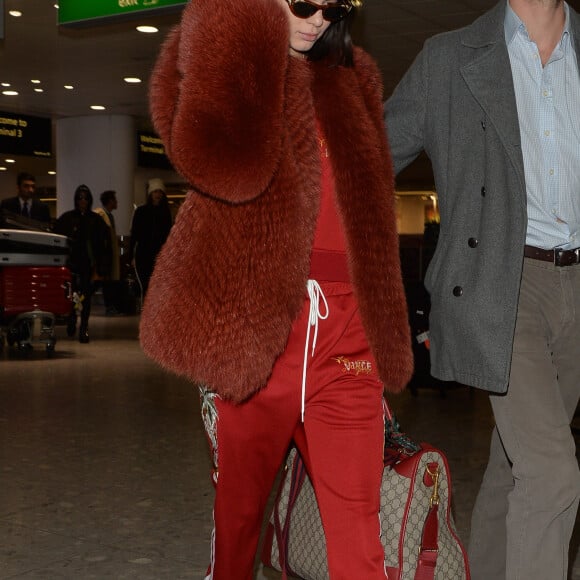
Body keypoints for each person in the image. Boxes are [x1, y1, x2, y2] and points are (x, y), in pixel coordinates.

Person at [139, 0, 413, 578]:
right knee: (238, 526)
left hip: (347, 336)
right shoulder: (226, 69)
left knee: (361, 539)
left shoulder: (352, 78)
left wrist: (384, 320)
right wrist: (242, 39)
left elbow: (373, 217)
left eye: (333, 6)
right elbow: (221, 168)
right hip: (260, 331)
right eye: (304, 3)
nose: (318, 19)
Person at [384, 1, 580, 579]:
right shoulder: (448, 58)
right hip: (503, 284)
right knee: (550, 473)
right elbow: (362, 157)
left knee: (514, 464)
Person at [53, 185, 109, 343]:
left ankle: (84, 327)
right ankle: (71, 319)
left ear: (89, 200)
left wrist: (101, 266)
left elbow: (103, 246)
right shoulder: (67, 218)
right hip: (70, 266)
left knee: (86, 298)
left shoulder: (96, 220)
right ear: (76, 200)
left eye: (85, 198)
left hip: (87, 266)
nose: (82, 201)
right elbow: (58, 238)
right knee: (71, 296)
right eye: (80, 198)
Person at [129, 178, 172, 298]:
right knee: (145, 285)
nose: (157, 195)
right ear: (150, 194)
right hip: (143, 254)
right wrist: (131, 256)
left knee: (157, 286)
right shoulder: (141, 211)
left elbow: (168, 236)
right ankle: (145, 313)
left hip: (159, 255)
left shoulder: (165, 213)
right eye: (155, 192)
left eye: (160, 192)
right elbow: (135, 234)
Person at [94, 190, 122, 315]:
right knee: (104, 282)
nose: (117, 202)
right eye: (115, 200)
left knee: (108, 282)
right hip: (104, 256)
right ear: (110, 201)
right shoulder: (101, 215)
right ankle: (109, 307)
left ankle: (111, 306)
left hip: (109, 255)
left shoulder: (108, 215)